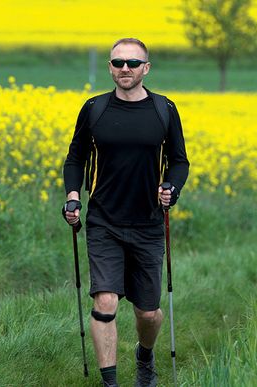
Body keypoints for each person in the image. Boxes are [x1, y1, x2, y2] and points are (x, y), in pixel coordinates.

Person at [63, 38, 189, 387]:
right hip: (103, 220)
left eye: (133, 63)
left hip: (148, 223)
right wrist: (73, 197)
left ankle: (145, 357)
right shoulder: (94, 109)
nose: (125, 69)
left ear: (146, 68)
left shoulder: (164, 109)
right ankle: (110, 383)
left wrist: (172, 189)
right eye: (118, 63)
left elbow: (179, 162)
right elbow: (75, 159)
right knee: (105, 300)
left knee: (147, 312)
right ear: (109, 67)